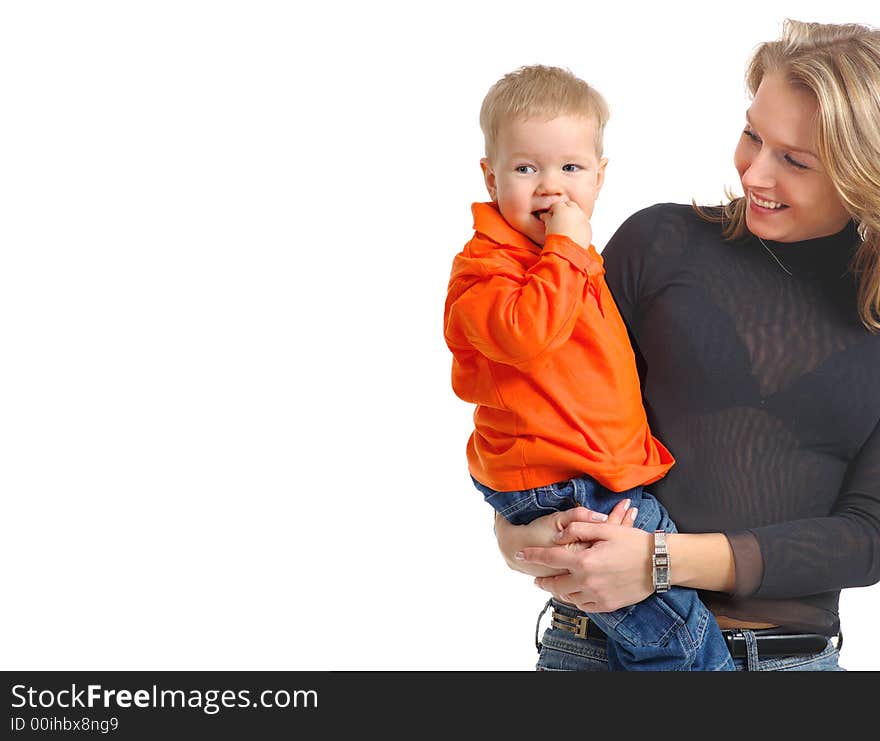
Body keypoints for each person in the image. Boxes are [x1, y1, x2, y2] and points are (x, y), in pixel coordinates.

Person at [496, 19, 880, 672]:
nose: (754, 171)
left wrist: (659, 562)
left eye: (795, 160)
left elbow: (867, 537)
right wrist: (524, 533)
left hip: (782, 665)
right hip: (595, 650)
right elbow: (547, 416)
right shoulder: (659, 244)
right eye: (753, 134)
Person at [444, 65, 735, 670]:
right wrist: (568, 248)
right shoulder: (486, 270)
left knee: (658, 624)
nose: (551, 188)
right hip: (562, 482)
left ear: (601, 177)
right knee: (677, 638)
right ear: (490, 175)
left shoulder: (566, 259)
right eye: (526, 169)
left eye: (571, 169)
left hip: (597, 475)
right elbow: (526, 336)